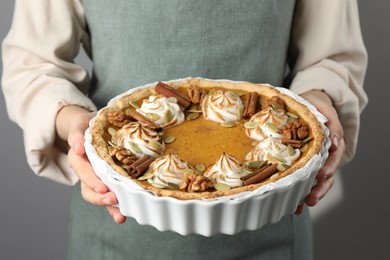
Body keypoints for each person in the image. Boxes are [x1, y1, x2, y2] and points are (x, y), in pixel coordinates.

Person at [1, 0, 368, 259]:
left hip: (271, 227)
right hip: (116, 226)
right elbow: (32, 62)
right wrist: (74, 125)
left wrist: (320, 104)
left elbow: (330, 57)